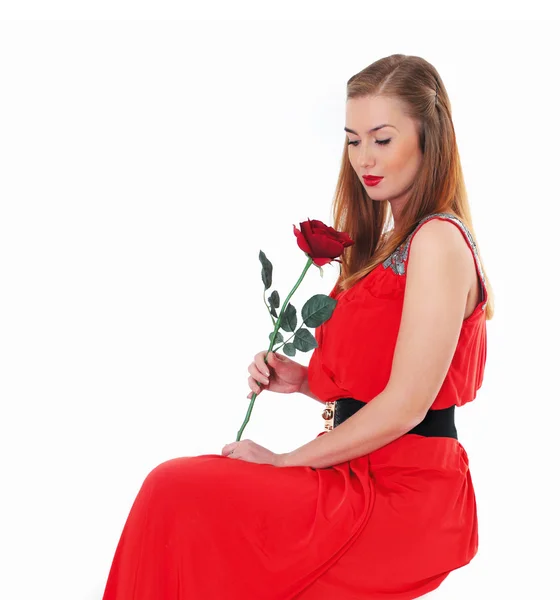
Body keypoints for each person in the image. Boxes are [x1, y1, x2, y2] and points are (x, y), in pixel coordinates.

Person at [101, 53, 493, 599]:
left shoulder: (437, 240)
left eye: (382, 138)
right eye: (353, 140)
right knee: (180, 501)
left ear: (431, 138)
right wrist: (306, 380)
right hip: (354, 471)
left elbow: (408, 405)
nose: (363, 158)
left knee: (176, 490)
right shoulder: (388, 245)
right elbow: (383, 381)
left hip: (403, 495)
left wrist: (284, 464)